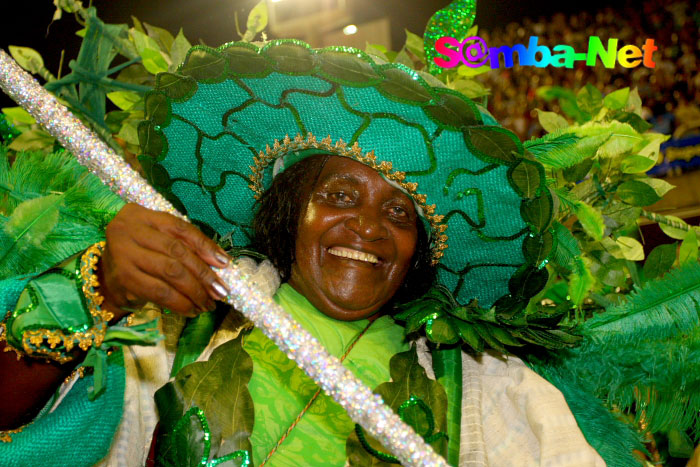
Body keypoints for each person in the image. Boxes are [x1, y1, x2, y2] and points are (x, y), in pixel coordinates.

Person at [1, 40, 613, 466]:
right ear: (290, 211)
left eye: (400, 213)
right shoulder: (178, 327)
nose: (370, 227)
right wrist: (99, 286)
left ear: (421, 253)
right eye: (340, 194)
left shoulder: (491, 392)